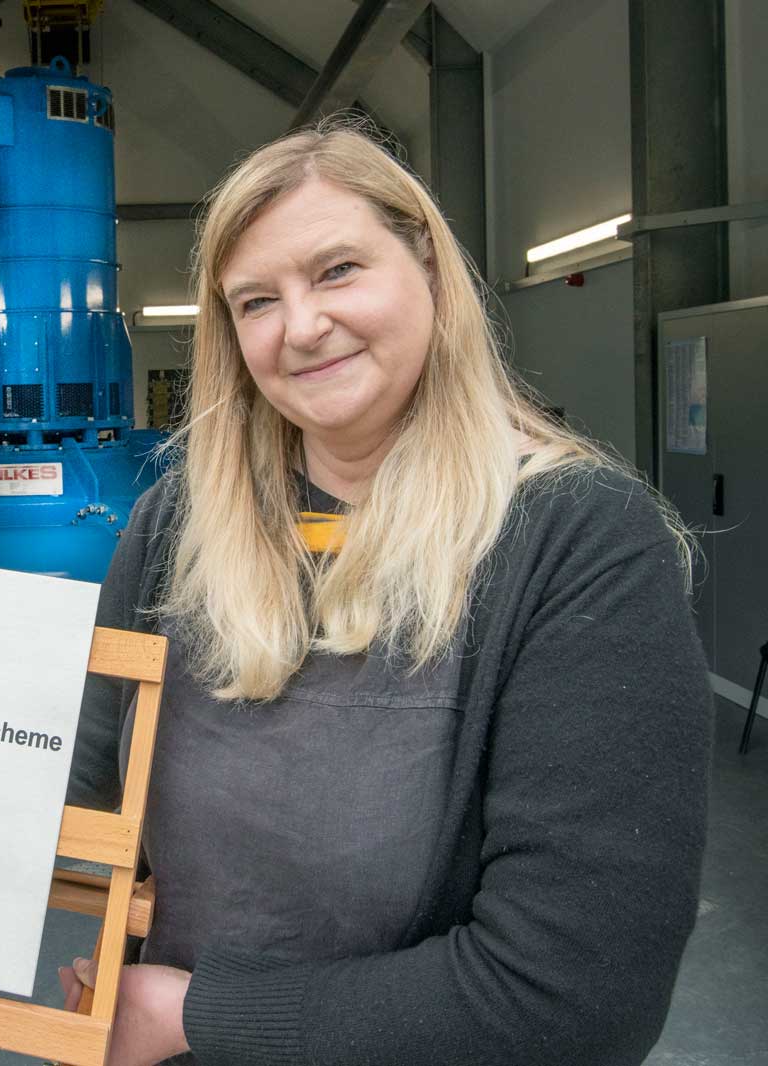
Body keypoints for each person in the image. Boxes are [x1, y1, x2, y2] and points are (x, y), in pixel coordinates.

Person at [58, 126, 711, 1066]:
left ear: (432, 273)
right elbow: (76, 781)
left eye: (337, 271)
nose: (302, 325)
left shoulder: (577, 541)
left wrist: (188, 1014)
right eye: (256, 301)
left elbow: (573, 997)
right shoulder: (180, 526)